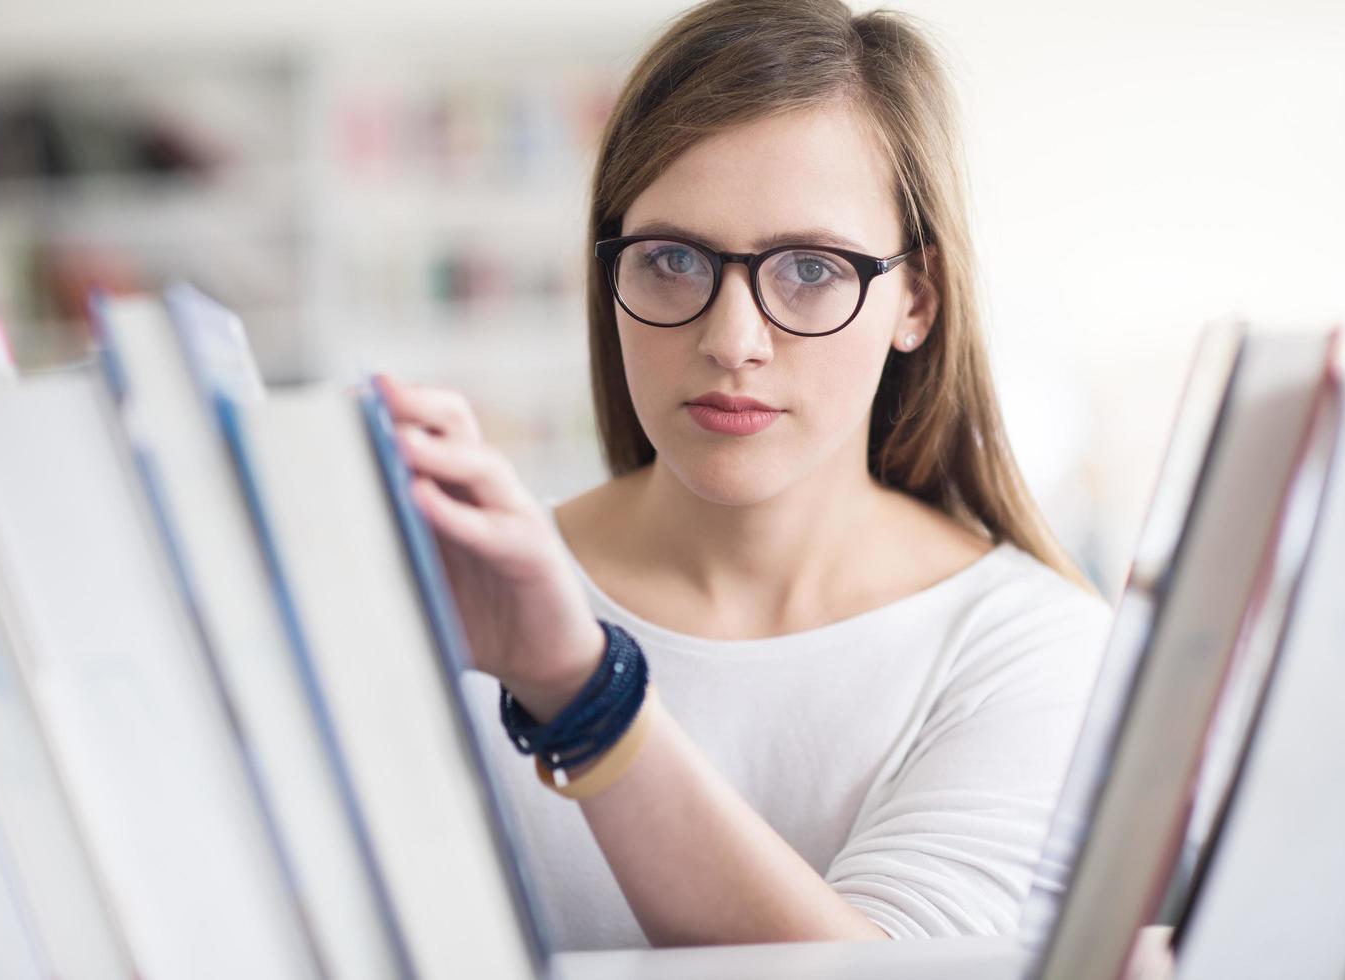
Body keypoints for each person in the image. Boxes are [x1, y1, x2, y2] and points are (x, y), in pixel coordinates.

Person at [376, 0, 1112, 952]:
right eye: (672, 260)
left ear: (916, 302)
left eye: (811, 268)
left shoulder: (1032, 647)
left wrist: (581, 693)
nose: (731, 341)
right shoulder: (454, 593)